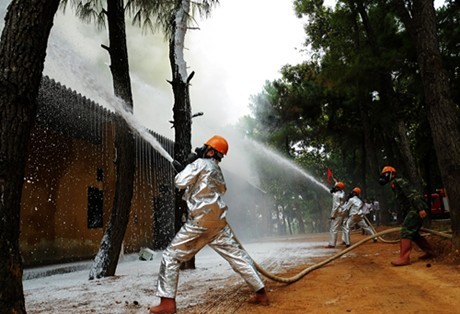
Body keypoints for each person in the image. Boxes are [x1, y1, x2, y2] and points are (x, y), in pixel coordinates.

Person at [149, 135, 269, 314]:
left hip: (199, 222)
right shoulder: (217, 170)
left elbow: (179, 182)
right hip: (218, 223)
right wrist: (190, 172)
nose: (200, 150)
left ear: (211, 151)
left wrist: (186, 169)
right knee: (237, 257)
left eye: (204, 148)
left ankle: (167, 304)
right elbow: (219, 189)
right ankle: (262, 294)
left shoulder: (200, 164)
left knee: (171, 256)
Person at [378, 166, 435, 266]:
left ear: (392, 174)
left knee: (406, 230)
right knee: (414, 234)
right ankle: (430, 252)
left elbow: (412, 194)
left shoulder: (398, 181)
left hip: (416, 208)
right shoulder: (393, 184)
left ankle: (404, 258)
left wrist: (420, 208)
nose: (384, 177)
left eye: (385, 175)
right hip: (412, 209)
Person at [325, 181, 347, 248]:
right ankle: (346, 241)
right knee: (344, 227)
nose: (334, 187)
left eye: (336, 187)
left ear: (338, 188)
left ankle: (332, 244)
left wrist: (333, 215)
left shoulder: (336, 195)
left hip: (337, 213)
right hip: (343, 212)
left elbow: (335, 206)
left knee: (333, 228)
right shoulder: (342, 193)